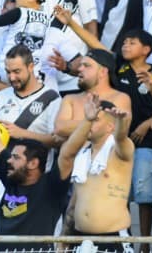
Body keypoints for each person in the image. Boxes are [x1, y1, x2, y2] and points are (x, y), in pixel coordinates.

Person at [56, 92, 134, 235]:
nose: (90, 123)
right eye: (89, 119)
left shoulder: (119, 151)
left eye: (95, 120)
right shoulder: (83, 155)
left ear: (110, 127)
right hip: (80, 237)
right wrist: (64, 237)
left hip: (113, 238)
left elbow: (121, 138)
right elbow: (74, 203)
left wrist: (121, 124)